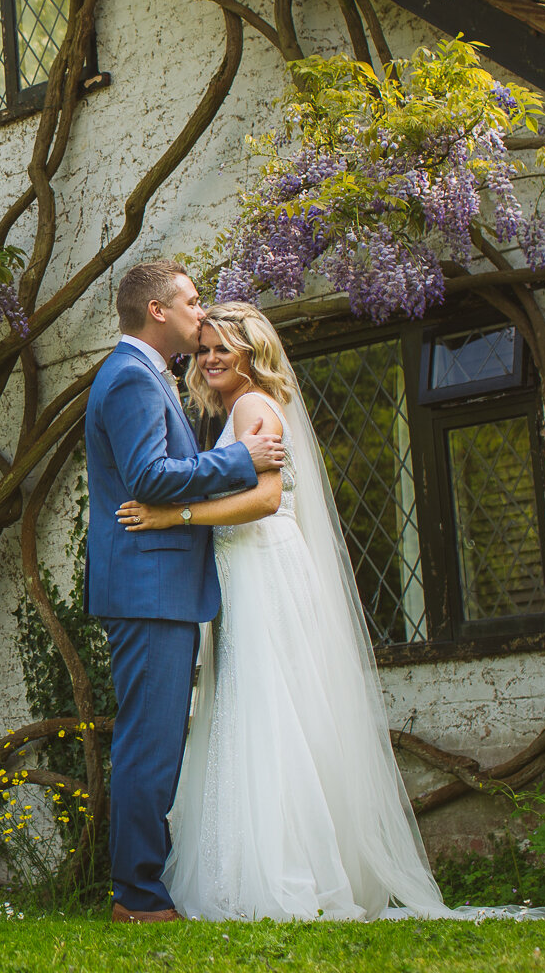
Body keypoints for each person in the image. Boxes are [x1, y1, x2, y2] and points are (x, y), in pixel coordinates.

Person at [118, 301, 455, 921]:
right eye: (206, 348)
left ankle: (283, 875)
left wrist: (174, 515)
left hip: (261, 564)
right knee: (269, 708)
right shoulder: (242, 407)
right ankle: (276, 865)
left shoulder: (251, 405)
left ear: (252, 352)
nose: (211, 358)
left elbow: (267, 499)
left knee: (267, 707)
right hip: (250, 568)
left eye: (225, 347)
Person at [84, 261, 287, 924]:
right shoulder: (130, 377)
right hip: (149, 587)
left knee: (157, 741)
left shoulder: (149, 376)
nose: (203, 314)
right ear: (159, 312)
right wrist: (240, 461)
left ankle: (145, 885)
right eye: (194, 303)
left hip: (158, 584)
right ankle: (137, 897)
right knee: (151, 744)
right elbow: (149, 475)